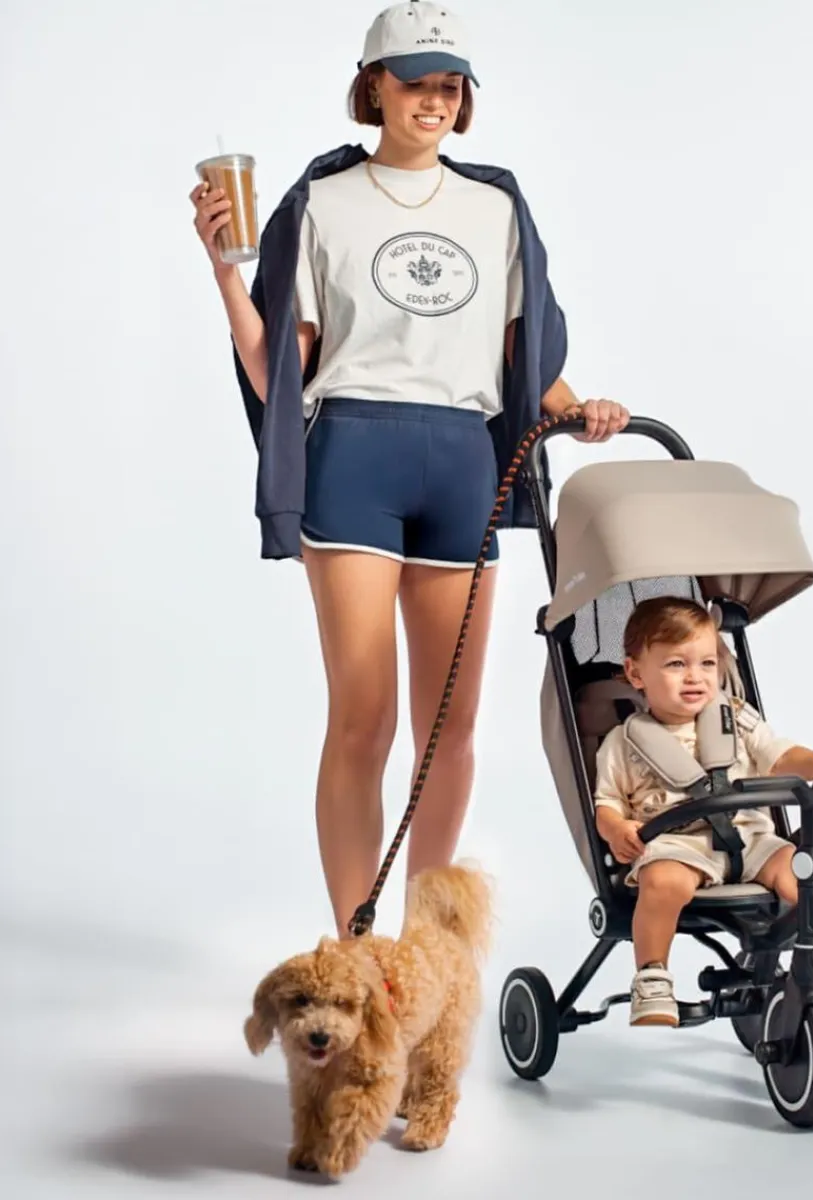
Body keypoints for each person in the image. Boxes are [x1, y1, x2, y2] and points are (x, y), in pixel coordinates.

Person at [189, 1, 630, 936]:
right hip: (353, 456)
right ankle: (356, 950)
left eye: (450, 85)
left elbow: (523, 353)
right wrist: (226, 270)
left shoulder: (496, 206)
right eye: (416, 81)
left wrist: (579, 408)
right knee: (365, 719)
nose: (434, 100)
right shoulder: (322, 202)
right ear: (374, 86)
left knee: (451, 729)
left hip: (464, 463)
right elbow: (278, 375)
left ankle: (424, 948)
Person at [593, 596, 813, 1026]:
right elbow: (606, 802)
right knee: (661, 882)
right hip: (679, 846)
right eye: (676, 664)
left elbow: (780, 756)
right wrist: (614, 829)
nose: (695, 676)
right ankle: (652, 976)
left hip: (750, 839)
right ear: (635, 673)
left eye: (707, 663)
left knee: (802, 874)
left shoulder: (736, 718)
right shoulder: (623, 743)